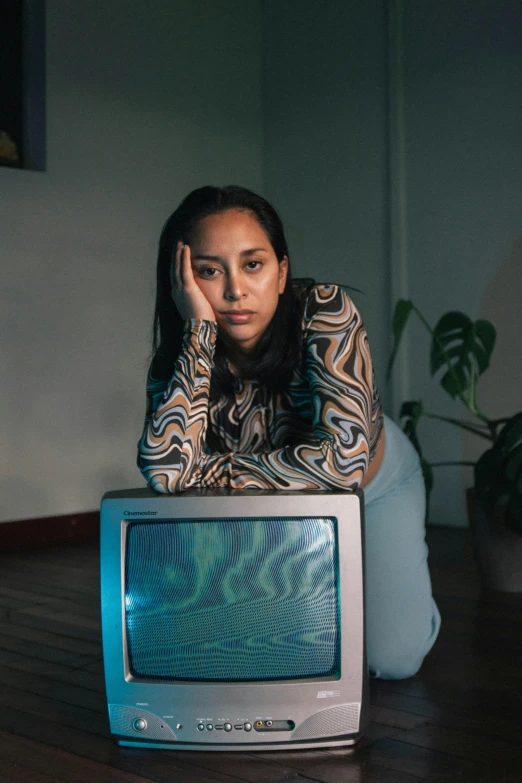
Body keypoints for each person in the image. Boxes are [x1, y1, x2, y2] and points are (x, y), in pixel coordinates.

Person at [137, 185, 441, 680]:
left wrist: (211, 473)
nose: (235, 290)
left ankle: (408, 590)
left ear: (281, 271)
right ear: (181, 281)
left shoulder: (325, 310)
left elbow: (343, 465)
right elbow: (166, 472)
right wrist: (198, 334)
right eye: (210, 271)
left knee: (393, 660)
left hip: (376, 484)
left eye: (252, 264)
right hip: (272, 502)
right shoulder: (180, 358)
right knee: (266, 644)